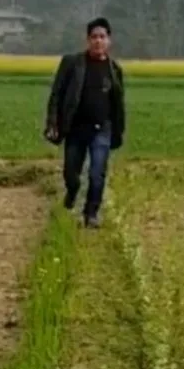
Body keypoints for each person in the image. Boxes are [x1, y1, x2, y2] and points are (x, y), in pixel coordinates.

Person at [44, 17, 125, 228]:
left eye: (102, 37)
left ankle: (91, 214)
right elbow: (57, 95)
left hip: (102, 130)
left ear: (109, 40)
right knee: (71, 174)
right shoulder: (72, 64)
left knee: (97, 173)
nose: (98, 41)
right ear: (87, 40)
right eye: (94, 37)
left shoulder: (114, 70)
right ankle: (71, 194)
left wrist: (118, 131)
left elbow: (118, 104)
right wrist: (53, 122)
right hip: (76, 129)